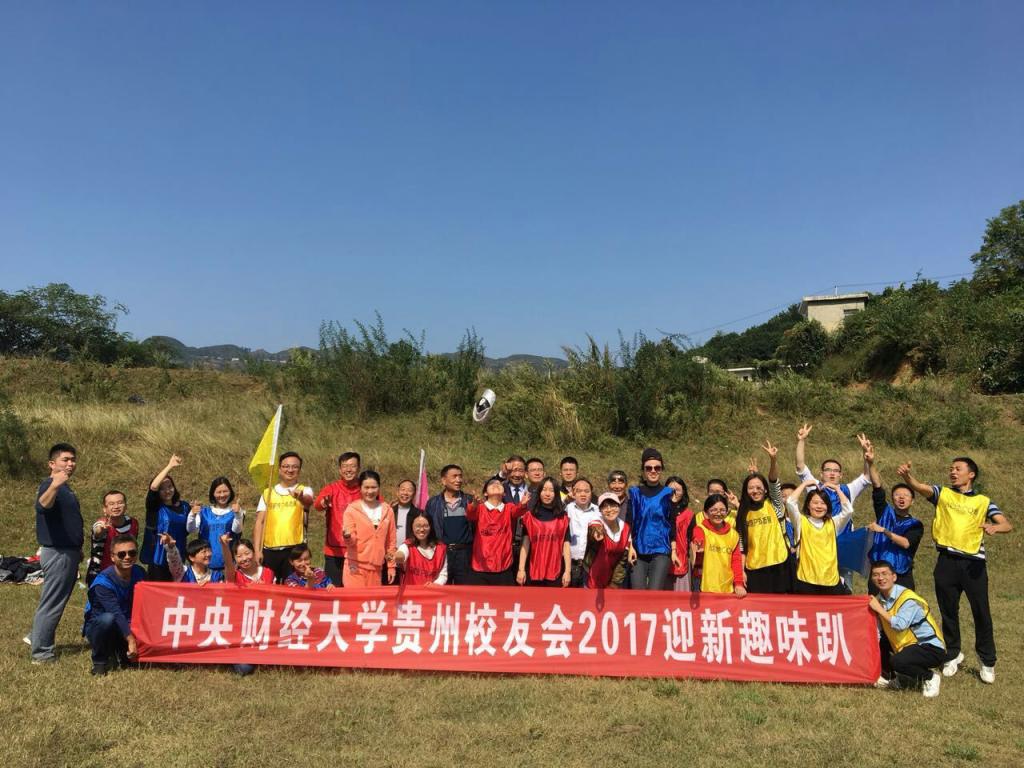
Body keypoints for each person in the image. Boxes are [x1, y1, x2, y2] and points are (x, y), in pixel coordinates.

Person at [897, 457, 1012, 684]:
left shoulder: (983, 501)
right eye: (951, 469)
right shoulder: (943, 494)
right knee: (948, 611)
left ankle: (987, 660)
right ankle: (952, 654)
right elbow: (920, 487)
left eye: (958, 469)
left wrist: (995, 527)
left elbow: (1006, 524)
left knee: (981, 611)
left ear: (971, 474)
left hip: (973, 564)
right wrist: (907, 477)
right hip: (946, 561)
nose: (953, 472)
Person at [795, 424, 871, 589]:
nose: (832, 473)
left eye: (836, 471)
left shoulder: (848, 490)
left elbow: (866, 476)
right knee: (817, 586)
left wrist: (866, 455)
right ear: (821, 473)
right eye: (828, 470)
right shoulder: (814, 487)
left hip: (843, 546)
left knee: (844, 589)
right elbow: (800, 467)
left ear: (841, 475)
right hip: (818, 549)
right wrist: (801, 441)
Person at [29, 443, 83, 665]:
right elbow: (42, 506)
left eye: (73, 460)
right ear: (52, 464)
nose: (70, 464)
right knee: (52, 603)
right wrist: (54, 485)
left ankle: (37, 637)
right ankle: (41, 653)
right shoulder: (51, 485)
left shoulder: (65, 488)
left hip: (68, 551)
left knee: (54, 600)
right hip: (58, 553)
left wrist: (77, 548)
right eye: (65, 460)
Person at [868, 560, 945, 698]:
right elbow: (878, 631)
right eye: (876, 575)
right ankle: (891, 678)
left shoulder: (908, 598)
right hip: (905, 646)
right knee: (877, 641)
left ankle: (930, 677)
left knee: (898, 661)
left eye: (884, 574)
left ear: (894, 577)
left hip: (929, 647)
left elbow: (900, 625)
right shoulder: (879, 600)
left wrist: (879, 609)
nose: (880, 578)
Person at [861, 441, 923, 593]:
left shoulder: (915, 524)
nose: (901, 497)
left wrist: (884, 531)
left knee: (903, 606)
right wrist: (871, 463)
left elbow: (906, 543)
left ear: (912, 501)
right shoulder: (884, 512)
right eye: (897, 495)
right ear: (893, 499)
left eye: (906, 495)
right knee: (876, 606)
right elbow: (877, 486)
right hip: (879, 573)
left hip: (901, 574)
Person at [82, 533, 145, 675]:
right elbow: (116, 614)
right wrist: (131, 640)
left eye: (132, 553)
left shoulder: (140, 573)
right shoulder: (102, 583)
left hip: (127, 622)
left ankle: (121, 650)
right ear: (112, 557)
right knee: (108, 619)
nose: (127, 557)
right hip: (102, 625)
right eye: (121, 554)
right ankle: (99, 661)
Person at [736, 441, 789, 594]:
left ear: (766, 490)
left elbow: (773, 481)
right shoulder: (743, 513)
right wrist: (741, 572)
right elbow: (742, 546)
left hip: (779, 564)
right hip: (755, 568)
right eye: (751, 488)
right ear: (746, 491)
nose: (755, 491)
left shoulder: (775, 504)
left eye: (759, 487)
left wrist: (773, 460)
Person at [253, 451, 315, 582]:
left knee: (293, 587)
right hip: (270, 550)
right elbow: (260, 522)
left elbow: (308, 502)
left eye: (294, 467)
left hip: (294, 551)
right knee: (268, 586)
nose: (290, 470)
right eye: (286, 466)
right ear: (280, 469)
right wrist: (257, 550)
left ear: (299, 470)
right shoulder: (267, 493)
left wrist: (300, 497)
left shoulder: (304, 490)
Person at [785, 480, 854, 595]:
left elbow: (848, 511)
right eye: (815, 502)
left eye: (823, 503)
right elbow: (790, 503)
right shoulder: (800, 521)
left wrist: (837, 489)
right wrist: (804, 484)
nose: (819, 506)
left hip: (830, 580)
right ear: (808, 505)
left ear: (828, 506)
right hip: (806, 580)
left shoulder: (834, 523)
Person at [627, 448, 678, 590]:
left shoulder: (669, 494)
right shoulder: (635, 493)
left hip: (661, 550)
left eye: (657, 468)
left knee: (655, 592)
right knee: (637, 591)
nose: (653, 471)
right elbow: (629, 523)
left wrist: (674, 550)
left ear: (661, 470)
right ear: (643, 470)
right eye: (649, 468)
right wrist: (629, 547)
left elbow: (672, 523)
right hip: (637, 550)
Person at [465, 478, 527, 585]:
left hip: (503, 565)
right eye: (491, 483)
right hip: (480, 565)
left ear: (504, 494)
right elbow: (470, 514)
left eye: (499, 484)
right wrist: (474, 504)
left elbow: (518, 511)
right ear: (485, 493)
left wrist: (523, 504)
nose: (496, 484)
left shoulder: (509, 508)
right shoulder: (480, 508)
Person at [314, 451, 363, 586]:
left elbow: (379, 506)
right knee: (333, 589)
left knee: (355, 590)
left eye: (352, 466)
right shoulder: (332, 488)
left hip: (359, 551)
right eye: (345, 466)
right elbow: (317, 505)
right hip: (334, 552)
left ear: (359, 468)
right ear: (340, 469)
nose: (349, 469)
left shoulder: (365, 489)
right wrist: (323, 503)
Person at [341, 470, 397, 587]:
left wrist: (391, 566)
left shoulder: (388, 510)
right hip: (355, 567)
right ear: (360, 488)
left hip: (376, 568)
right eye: (366, 487)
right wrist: (347, 536)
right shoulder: (352, 510)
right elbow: (351, 541)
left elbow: (390, 542)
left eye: (373, 487)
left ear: (379, 488)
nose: (370, 491)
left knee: (373, 599)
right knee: (356, 599)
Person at [141, 455, 191, 581]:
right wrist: (170, 466)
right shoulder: (154, 507)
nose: (167, 491)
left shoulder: (185, 507)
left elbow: (191, 528)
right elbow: (153, 487)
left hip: (178, 554)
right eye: (162, 489)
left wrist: (195, 513)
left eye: (170, 487)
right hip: (158, 557)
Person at [517, 477, 571, 587]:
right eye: (544, 490)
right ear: (539, 492)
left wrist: (567, 571)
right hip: (533, 570)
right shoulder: (529, 517)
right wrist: (521, 569)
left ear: (556, 494)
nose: (547, 494)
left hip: (556, 572)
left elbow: (566, 546)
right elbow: (525, 544)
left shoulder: (563, 518)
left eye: (551, 490)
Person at [426, 465, 475, 585]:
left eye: (460, 476)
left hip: (465, 554)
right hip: (442, 552)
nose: (458, 480)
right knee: (442, 588)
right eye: (454, 476)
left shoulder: (470, 500)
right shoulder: (433, 503)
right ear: (443, 480)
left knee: (464, 590)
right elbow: (427, 528)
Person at [690, 494, 746, 597]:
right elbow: (698, 539)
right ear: (706, 513)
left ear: (727, 512)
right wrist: (698, 546)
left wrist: (739, 584)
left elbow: (736, 561)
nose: (718, 513)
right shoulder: (700, 529)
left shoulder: (733, 535)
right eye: (714, 510)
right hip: (704, 585)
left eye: (722, 510)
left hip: (727, 587)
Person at [187, 476, 243, 579]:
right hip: (206, 565)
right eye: (218, 492)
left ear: (230, 492)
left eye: (225, 491)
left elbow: (237, 530)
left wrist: (238, 514)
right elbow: (191, 529)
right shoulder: (204, 512)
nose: (222, 495)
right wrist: (192, 514)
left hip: (228, 565)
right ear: (213, 493)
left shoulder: (236, 511)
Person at [86, 490, 138, 586]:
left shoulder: (133, 523)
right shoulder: (101, 523)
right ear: (105, 509)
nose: (116, 506)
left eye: (120, 503)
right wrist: (101, 530)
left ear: (126, 506)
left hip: (127, 573)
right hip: (101, 575)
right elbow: (97, 532)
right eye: (111, 504)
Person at [584, 493, 631, 589]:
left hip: (612, 580)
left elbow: (623, 561)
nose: (609, 509)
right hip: (591, 577)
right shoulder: (597, 521)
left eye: (613, 505)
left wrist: (614, 583)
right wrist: (596, 532)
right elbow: (594, 528)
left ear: (619, 507)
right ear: (600, 510)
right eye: (605, 507)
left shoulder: (626, 528)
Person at [393, 510, 448, 586]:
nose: (422, 530)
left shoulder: (441, 548)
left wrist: (436, 584)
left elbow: (443, 575)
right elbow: (401, 554)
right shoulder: (407, 546)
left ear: (431, 527)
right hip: (411, 592)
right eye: (418, 526)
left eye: (425, 526)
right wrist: (398, 557)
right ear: (412, 527)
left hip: (432, 591)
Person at [565, 477, 601, 587]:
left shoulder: (598, 511)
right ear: (573, 493)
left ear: (591, 493)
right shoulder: (566, 509)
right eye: (579, 491)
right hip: (569, 564)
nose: (583, 494)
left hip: (590, 566)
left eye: (586, 491)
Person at [666, 476, 694, 591]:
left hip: (681, 561)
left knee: (681, 598)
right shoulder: (659, 511)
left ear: (683, 492)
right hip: (661, 561)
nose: (674, 493)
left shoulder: (689, 514)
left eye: (677, 490)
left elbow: (692, 538)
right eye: (670, 490)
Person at [392, 479, 420, 546]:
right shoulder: (390, 511)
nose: (405, 493)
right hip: (390, 551)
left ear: (414, 494)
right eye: (403, 489)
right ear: (397, 492)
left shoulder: (419, 514)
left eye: (409, 490)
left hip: (410, 550)